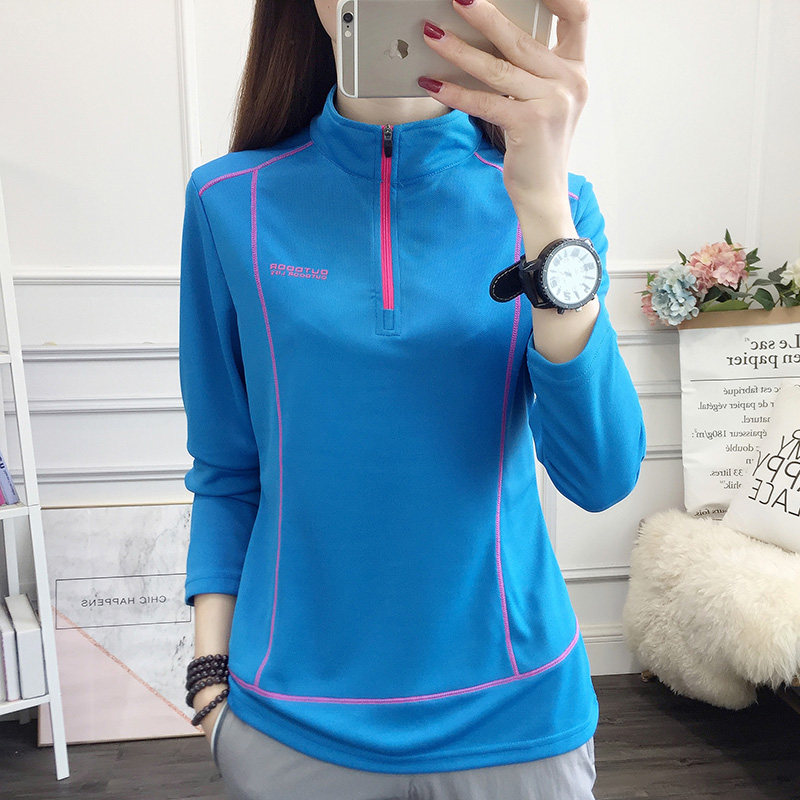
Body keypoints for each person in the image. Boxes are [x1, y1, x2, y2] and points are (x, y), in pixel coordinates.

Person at [179, 0, 645, 797]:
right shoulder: (229, 201)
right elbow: (226, 469)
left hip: (519, 719)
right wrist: (208, 681)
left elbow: (600, 476)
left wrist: (542, 203)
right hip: (293, 727)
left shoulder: (557, 206)